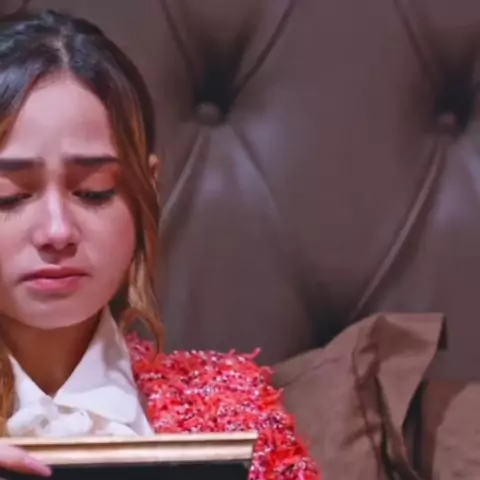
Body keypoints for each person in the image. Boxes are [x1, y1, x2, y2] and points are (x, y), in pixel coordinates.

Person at [0, 9, 320, 480]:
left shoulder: (237, 410)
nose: (57, 230)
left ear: (146, 189)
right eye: (9, 196)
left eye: (93, 191)